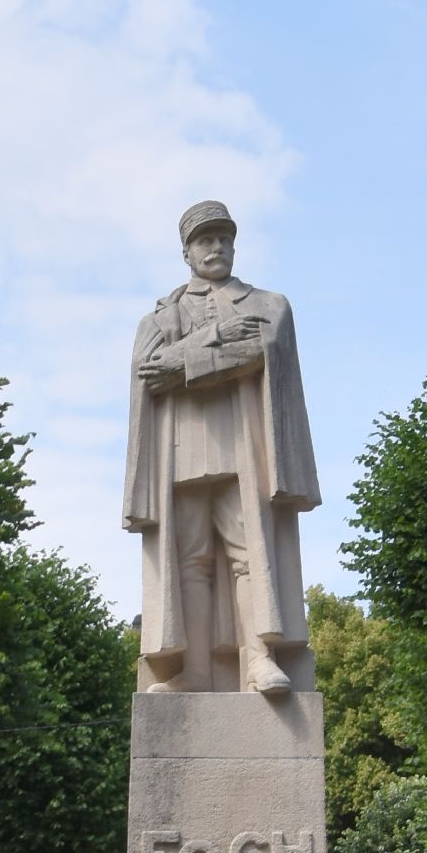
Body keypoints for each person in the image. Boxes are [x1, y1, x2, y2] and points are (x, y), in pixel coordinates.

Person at [122, 198, 320, 695]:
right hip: (181, 449)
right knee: (190, 560)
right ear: (187, 253)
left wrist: (184, 363)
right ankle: (196, 671)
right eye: (205, 240)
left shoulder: (266, 305)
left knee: (250, 552)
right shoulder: (159, 317)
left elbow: (256, 353)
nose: (216, 247)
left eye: (224, 238)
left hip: (242, 445)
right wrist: (214, 336)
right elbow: (149, 372)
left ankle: (258, 659)